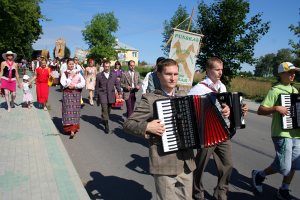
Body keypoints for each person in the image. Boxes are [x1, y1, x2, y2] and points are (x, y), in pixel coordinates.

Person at [123, 59, 196, 200]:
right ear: (159, 75)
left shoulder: (184, 96)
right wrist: (147, 126)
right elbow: (128, 124)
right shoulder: (150, 100)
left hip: (187, 162)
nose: (173, 78)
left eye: (176, 74)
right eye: (168, 74)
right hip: (164, 163)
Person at [188, 57, 248, 200]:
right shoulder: (199, 88)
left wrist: (236, 110)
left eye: (221, 69)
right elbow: (187, 107)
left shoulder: (222, 87)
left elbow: (225, 107)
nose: (220, 72)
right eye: (217, 69)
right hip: (207, 133)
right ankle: (197, 193)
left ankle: (221, 194)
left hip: (222, 132)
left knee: (228, 164)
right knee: (200, 166)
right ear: (208, 70)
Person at [252, 62, 300, 200]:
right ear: (281, 74)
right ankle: (260, 175)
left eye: (294, 72)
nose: (293, 74)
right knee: (283, 165)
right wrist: (276, 108)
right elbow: (261, 110)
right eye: (290, 72)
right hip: (281, 133)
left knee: (294, 165)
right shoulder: (275, 91)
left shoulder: (295, 91)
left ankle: (283, 190)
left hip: (296, 134)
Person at [95, 60, 122, 133]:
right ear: (103, 67)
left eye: (108, 66)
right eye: (105, 66)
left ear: (110, 67)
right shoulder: (99, 75)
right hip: (102, 94)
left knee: (108, 110)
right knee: (104, 108)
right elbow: (97, 86)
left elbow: (117, 84)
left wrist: (119, 92)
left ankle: (104, 118)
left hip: (111, 95)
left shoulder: (113, 75)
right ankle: (106, 126)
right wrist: (96, 96)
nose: (107, 68)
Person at [60, 58, 85, 138]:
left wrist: (75, 85)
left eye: (72, 64)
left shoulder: (77, 72)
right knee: (68, 112)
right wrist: (70, 77)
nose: (71, 65)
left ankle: (73, 130)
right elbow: (64, 84)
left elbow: (83, 83)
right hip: (67, 94)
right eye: (70, 64)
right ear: (67, 64)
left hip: (76, 94)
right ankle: (69, 128)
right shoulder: (65, 73)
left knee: (75, 112)